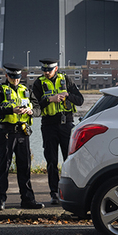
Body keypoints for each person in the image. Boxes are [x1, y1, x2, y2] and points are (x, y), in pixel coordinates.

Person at [0, 63, 43, 211]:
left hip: (23, 133)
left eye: (18, 77)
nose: (15, 80)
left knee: (25, 167)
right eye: (12, 77)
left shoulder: (26, 90)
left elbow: (38, 109)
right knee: (4, 167)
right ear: (7, 76)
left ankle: (28, 200)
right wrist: (11, 109)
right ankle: (0, 200)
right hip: (6, 133)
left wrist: (31, 111)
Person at [32, 58, 84, 205]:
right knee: (52, 161)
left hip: (66, 124)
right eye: (44, 70)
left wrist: (67, 95)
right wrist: (49, 100)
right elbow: (34, 105)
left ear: (56, 69)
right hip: (49, 125)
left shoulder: (66, 80)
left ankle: (71, 192)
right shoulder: (38, 83)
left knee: (70, 160)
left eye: (49, 70)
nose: (46, 72)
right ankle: (54, 193)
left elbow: (80, 100)